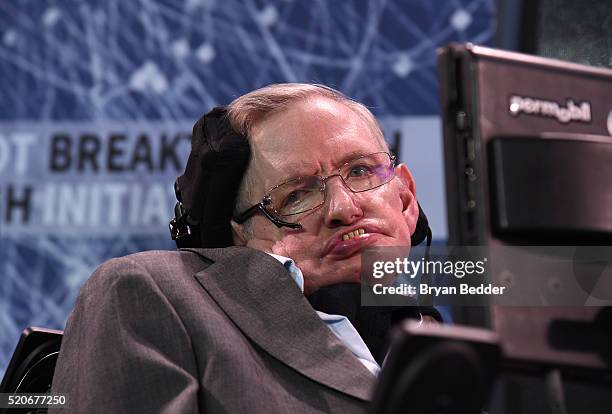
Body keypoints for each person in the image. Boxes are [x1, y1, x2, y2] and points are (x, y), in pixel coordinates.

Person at [50, 83, 439, 413]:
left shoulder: (447, 344)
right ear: (241, 235)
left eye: (360, 171)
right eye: (297, 196)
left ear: (406, 201)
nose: (343, 208)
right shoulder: (151, 291)